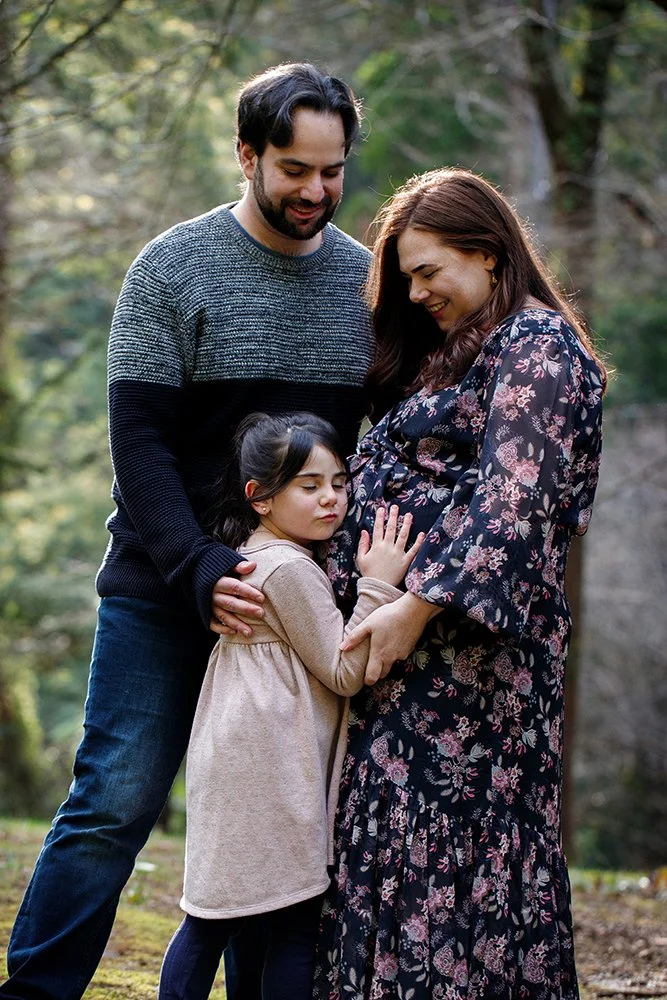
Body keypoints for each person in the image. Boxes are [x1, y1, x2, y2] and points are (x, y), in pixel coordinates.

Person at [1, 63, 373, 1000]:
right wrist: (199, 565)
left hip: (296, 610)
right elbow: (139, 442)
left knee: (292, 823)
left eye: (332, 170)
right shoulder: (172, 269)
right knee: (113, 802)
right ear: (246, 155)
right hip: (164, 587)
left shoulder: (365, 285)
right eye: (294, 168)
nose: (316, 192)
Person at [312, 167, 606, 998]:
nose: (414, 291)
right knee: (391, 862)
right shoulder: (459, 354)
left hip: (473, 686)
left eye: (426, 270)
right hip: (410, 685)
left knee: (455, 871)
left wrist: (412, 607)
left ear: (484, 253)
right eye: (403, 276)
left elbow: (512, 502)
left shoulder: (537, 346)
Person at [157, 411, 423, 1000]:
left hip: (241, 755)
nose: (331, 499)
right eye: (309, 486)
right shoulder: (289, 568)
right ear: (260, 498)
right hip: (268, 767)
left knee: (212, 917)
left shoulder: (258, 554)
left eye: (339, 482)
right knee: (289, 928)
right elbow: (345, 670)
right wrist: (380, 584)